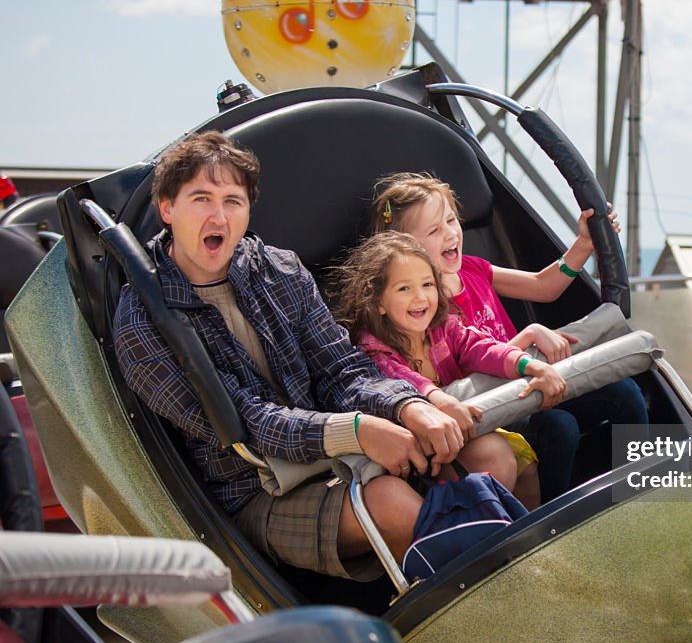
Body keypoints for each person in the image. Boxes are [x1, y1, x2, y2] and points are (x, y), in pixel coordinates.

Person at [113, 131, 466, 580]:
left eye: (233, 201)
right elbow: (244, 425)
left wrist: (409, 404)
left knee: (480, 455)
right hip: (258, 487)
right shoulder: (144, 317)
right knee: (396, 508)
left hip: (336, 452)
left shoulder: (280, 270)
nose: (218, 215)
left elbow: (341, 368)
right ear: (167, 209)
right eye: (201, 199)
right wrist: (357, 431)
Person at [366, 172, 649, 502]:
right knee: (560, 428)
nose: (450, 233)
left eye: (451, 220)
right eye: (434, 230)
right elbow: (468, 377)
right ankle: (556, 517)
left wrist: (584, 244)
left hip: (528, 379)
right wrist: (526, 339)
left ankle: (637, 489)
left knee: (625, 392)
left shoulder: (472, 269)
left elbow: (542, 286)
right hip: (498, 407)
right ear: (407, 249)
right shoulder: (423, 305)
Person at [330, 232, 569, 510]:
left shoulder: (445, 329)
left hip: (463, 433)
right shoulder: (372, 349)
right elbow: (403, 381)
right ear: (379, 302)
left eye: (428, 284)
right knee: (500, 457)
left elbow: (482, 348)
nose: (420, 297)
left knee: (528, 465)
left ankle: (528, 536)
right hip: (422, 457)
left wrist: (529, 364)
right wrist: (439, 399)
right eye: (404, 289)